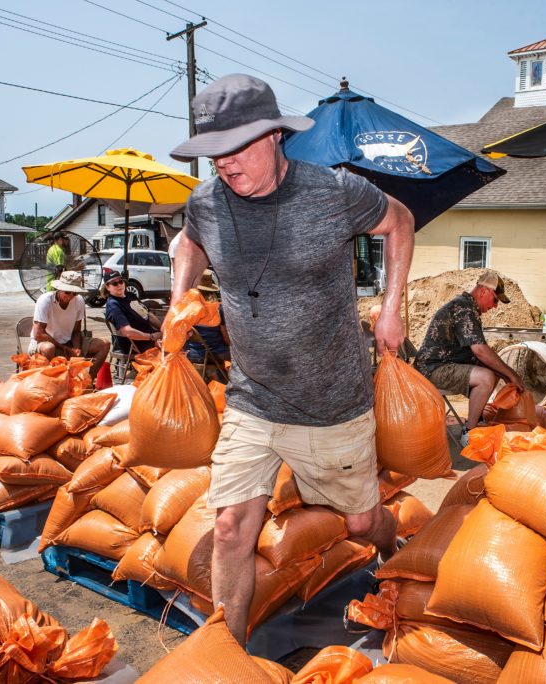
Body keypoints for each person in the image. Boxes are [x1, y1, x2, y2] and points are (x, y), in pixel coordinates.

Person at [168, 73, 415, 644]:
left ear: (275, 136)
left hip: (332, 399)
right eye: (213, 156)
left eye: (235, 150)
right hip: (251, 395)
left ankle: (390, 546)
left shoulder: (333, 192)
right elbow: (190, 241)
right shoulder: (205, 201)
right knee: (231, 527)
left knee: (359, 521)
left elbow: (398, 221)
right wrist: (183, 295)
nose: (224, 166)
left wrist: (391, 307)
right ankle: (226, 652)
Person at [413, 271, 526, 445]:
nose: (495, 306)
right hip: (431, 369)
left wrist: (505, 376)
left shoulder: (468, 307)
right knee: (486, 377)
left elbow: (480, 354)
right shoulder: (465, 308)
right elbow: (480, 350)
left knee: (492, 372)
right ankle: (470, 433)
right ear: (483, 291)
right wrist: (512, 374)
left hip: (443, 365)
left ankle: (477, 420)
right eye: (495, 300)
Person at [29, 270, 109, 380]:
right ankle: (49, 382)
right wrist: (65, 348)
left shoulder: (79, 300)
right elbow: (39, 334)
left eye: (74, 293)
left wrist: (76, 348)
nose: (71, 296)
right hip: (44, 343)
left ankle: (87, 381)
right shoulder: (45, 300)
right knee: (49, 348)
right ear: (59, 289)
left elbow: (76, 330)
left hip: (68, 342)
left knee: (104, 344)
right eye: (67, 292)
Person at [102, 269, 163, 354]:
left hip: (151, 338)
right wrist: (152, 337)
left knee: (180, 338)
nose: (119, 285)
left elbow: (148, 315)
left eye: (121, 282)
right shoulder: (113, 305)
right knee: (174, 348)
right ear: (108, 287)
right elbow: (128, 332)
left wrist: (163, 330)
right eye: (115, 283)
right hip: (135, 344)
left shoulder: (131, 296)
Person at [183, 269, 231, 374]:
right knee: (239, 358)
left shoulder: (187, 307)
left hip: (190, 353)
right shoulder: (218, 308)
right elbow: (226, 339)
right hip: (215, 355)